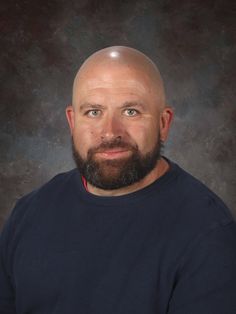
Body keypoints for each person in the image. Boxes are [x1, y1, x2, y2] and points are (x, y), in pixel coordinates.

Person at [0, 46, 236, 314]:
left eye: (131, 111)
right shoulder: (28, 214)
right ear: (72, 121)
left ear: (163, 124)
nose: (110, 132)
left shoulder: (208, 235)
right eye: (93, 112)